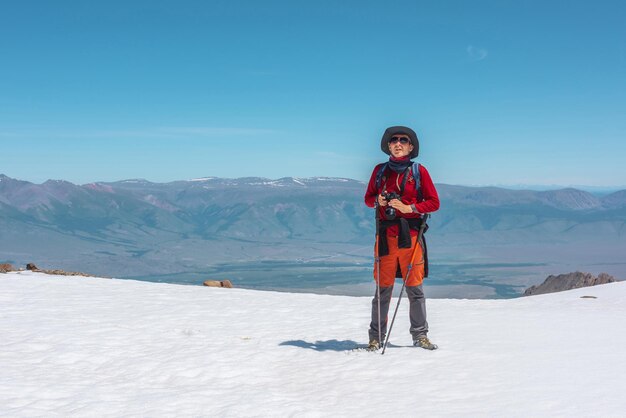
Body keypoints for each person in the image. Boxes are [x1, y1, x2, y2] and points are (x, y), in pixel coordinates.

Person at [364, 126, 440, 351]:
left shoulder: (419, 171)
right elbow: (368, 199)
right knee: (383, 290)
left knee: (415, 289)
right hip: (386, 237)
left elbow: (434, 203)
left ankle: (420, 336)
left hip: (412, 236)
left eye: (403, 140)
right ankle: (376, 337)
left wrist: (410, 208)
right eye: (394, 140)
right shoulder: (379, 171)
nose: (398, 143)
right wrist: (379, 200)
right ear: (388, 146)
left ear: (411, 146)